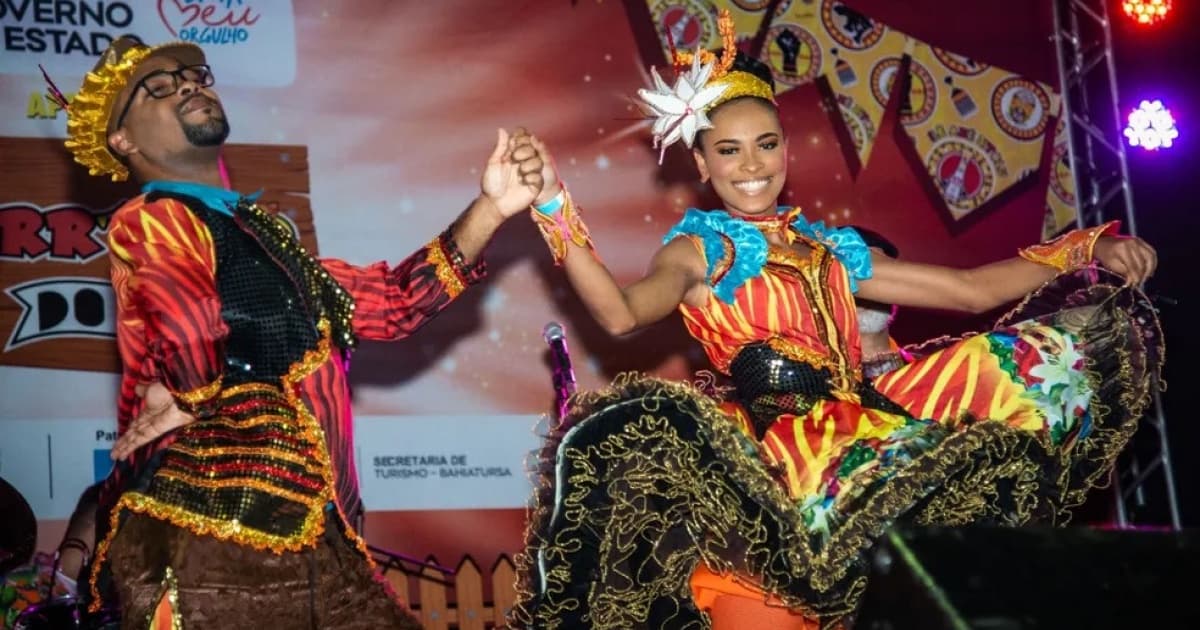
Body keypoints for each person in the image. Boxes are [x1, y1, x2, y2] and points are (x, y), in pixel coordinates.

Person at [509, 13, 1162, 630]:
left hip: (864, 433)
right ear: (703, 165)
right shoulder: (700, 252)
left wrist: (1080, 248)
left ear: (785, 150)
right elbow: (620, 314)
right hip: (777, 459)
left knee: (1013, 382)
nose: (752, 165)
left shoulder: (830, 253)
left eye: (765, 144)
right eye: (729, 151)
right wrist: (553, 207)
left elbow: (968, 290)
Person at [49, 36, 545, 628]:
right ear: (121, 139)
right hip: (210, 525)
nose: (188, 84)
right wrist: (193, 392)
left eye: (194, 74)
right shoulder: (155, 217)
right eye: (158, 85)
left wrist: (491, 209)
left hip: (307, 529)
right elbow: (187, 330)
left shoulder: (273, 248)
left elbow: (394, 302)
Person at [846, 226, 912, 379]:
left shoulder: (933, 370)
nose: (868, 291)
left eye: (876, 276)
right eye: (852, 278)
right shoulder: (812, 388)